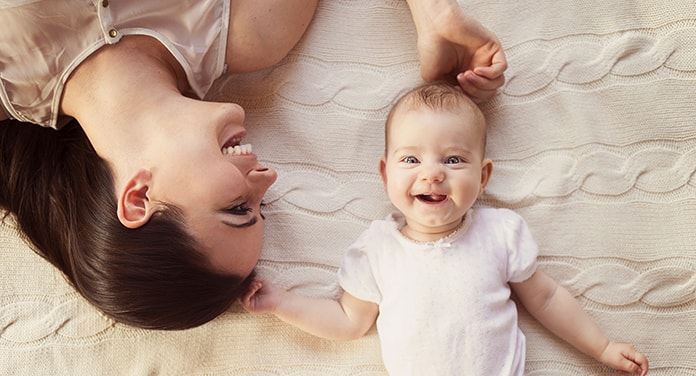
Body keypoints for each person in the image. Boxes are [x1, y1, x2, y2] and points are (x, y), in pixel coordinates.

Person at [0, 1, 507, 330]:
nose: (266, 178)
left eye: (238, 207)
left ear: (139, 198)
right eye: (263, 206)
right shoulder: (253, 30)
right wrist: (435, 16)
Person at [241, 82, 650, 376]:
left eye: (453, 159)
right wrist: (281, 303)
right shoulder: (378, 251)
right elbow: (348, 321)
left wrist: (600, 347)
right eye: (412, 158)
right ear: (386, 174)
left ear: (483, 175)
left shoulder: (499, 234)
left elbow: (546, 297)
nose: (432, 172)